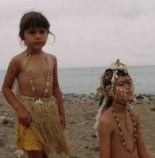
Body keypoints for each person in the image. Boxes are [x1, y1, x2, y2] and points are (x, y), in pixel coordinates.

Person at [2, 11, 70, 158]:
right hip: (29, 114)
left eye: (42, 32)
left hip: (48, 111)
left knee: (46, 150)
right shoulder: (17, 60)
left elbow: (56, 88)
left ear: (48, 33)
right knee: (34, 151)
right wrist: (20, 109)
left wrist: (62, 113)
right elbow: (6, 88)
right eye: (32, 32)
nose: (38, 36)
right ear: (22, 36)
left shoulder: (52, 59)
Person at [94, 59, 150, 158]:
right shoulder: (106, 122)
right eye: (121, 84)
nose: (128, 87)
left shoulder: (134, 115)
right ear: (109, 91)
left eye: (129, 82)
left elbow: (142, 152)